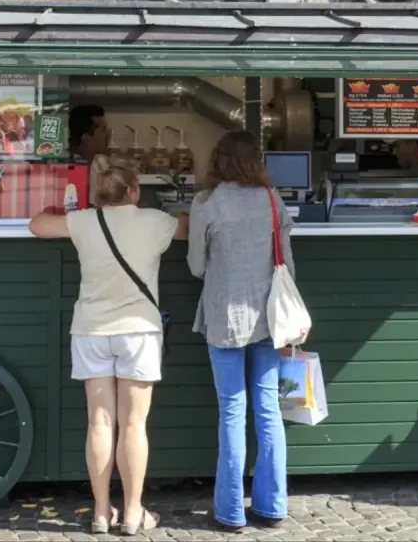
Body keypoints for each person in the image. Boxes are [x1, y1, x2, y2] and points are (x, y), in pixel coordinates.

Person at [28, 156, 186, 535]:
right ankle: (133, 512)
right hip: (139, 332)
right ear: (133, 191)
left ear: (99, 195)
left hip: (91, 330)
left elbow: (36, 225)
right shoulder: (154, 222)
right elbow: (192, 229)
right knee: (134, 424)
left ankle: (101, 511)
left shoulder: (83, 221)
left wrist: (55, 207)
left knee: (98, 422)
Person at [187, 129, 294, 532]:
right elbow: (288, 264)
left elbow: (197, 266)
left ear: (218, 159)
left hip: (225, 317)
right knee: (268, 410)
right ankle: (271, 507)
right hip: (269, 316)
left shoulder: (207, 203)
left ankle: (230, 512)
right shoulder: (272, 199)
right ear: (257, 160)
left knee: (232, 411)